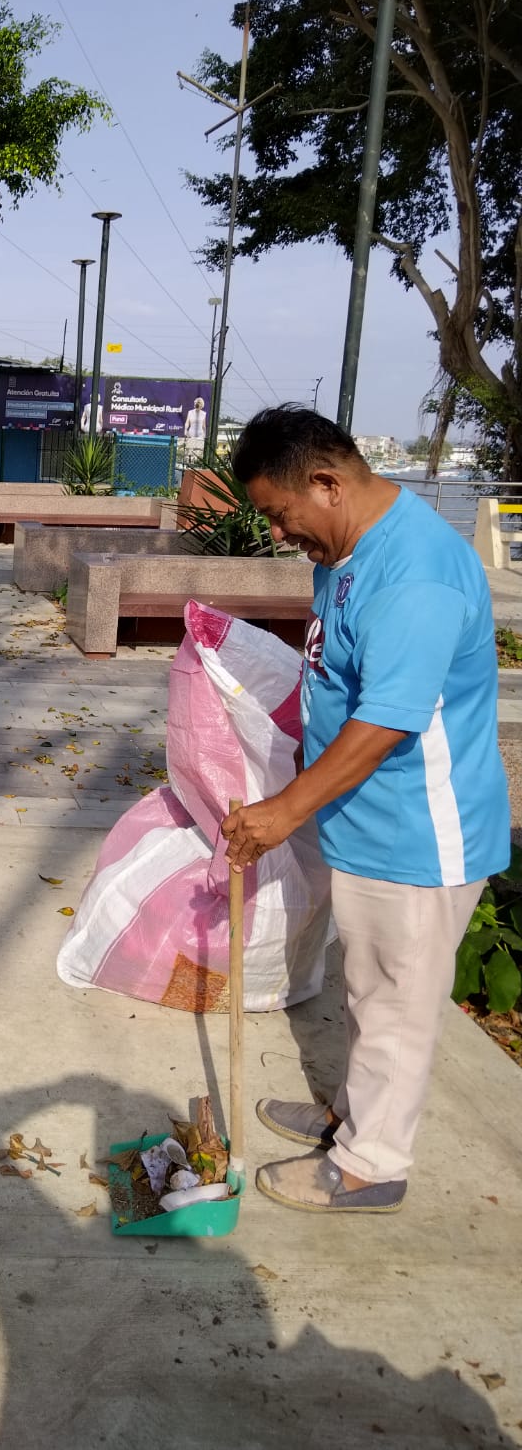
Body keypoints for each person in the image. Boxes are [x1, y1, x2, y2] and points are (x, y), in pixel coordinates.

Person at [221, 405, 508, 1214]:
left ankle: (371, 1163)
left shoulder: (415, 571)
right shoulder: (346, 551)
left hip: (421, 834)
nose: (280, 533)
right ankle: (352, 1112)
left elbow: (386, 720)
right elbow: (337, 677)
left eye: (282, 514)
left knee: (395, 1002)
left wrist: (284, 810)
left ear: (327, 482)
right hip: (368, 824)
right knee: (367, 986)